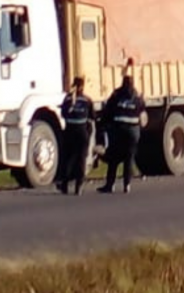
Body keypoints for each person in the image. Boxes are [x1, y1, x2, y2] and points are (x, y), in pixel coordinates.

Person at [98, 59, 146, 194]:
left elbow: (108, 111)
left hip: (119, 131)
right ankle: (127, 185)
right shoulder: (136, 97)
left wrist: (103, 125)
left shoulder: (117, 95)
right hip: (133, 133)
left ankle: (110, 185)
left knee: (113, 158)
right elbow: (142, 113)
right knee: (129, 158)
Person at [57, 76, 94, 195]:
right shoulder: (87, 100)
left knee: (68, 159)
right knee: (81, 159)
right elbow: (92, 116)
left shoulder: (67, 99)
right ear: (82, 86)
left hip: (69, 131)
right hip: (82, 131)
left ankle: (65, 185)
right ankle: (79, 186)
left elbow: (62, 113)